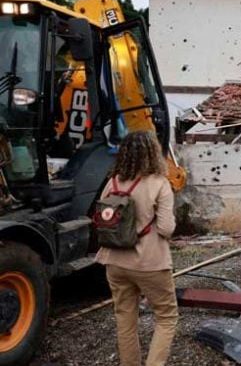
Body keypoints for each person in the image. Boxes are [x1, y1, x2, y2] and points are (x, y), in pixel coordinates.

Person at [95, 131, 178, 366]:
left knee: (125, 318)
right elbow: (166, 228)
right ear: (153, 153)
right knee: (166, 317)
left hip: (114, 261)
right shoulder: (159, 183)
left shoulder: (112, 182)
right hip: (149, 262)